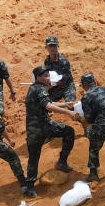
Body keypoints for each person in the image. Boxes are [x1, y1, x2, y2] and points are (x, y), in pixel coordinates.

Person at [26, 66, 79, 194]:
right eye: (45, 76)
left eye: (48, 75)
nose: (48, 78)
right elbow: (48, 106)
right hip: (44, 126)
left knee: (33, 156)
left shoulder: (33, 88)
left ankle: (30, 186)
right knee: (69, 132)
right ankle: (62, 162)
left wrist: (63, 104)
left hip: (32, 128)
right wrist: (68, 112)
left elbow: (47, 103)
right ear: (38, 77)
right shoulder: (40, 89)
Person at [43, 36, 75, 102]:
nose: (52, 48)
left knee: (70, 104)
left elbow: (66, 78)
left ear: (57, 46)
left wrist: (53, 84)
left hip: (67, 87)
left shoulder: (63, 61)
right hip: (55, 87)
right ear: (46, 47)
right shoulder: (47, 61)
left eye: (54, 46)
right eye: (50, 46)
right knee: (44, 102)